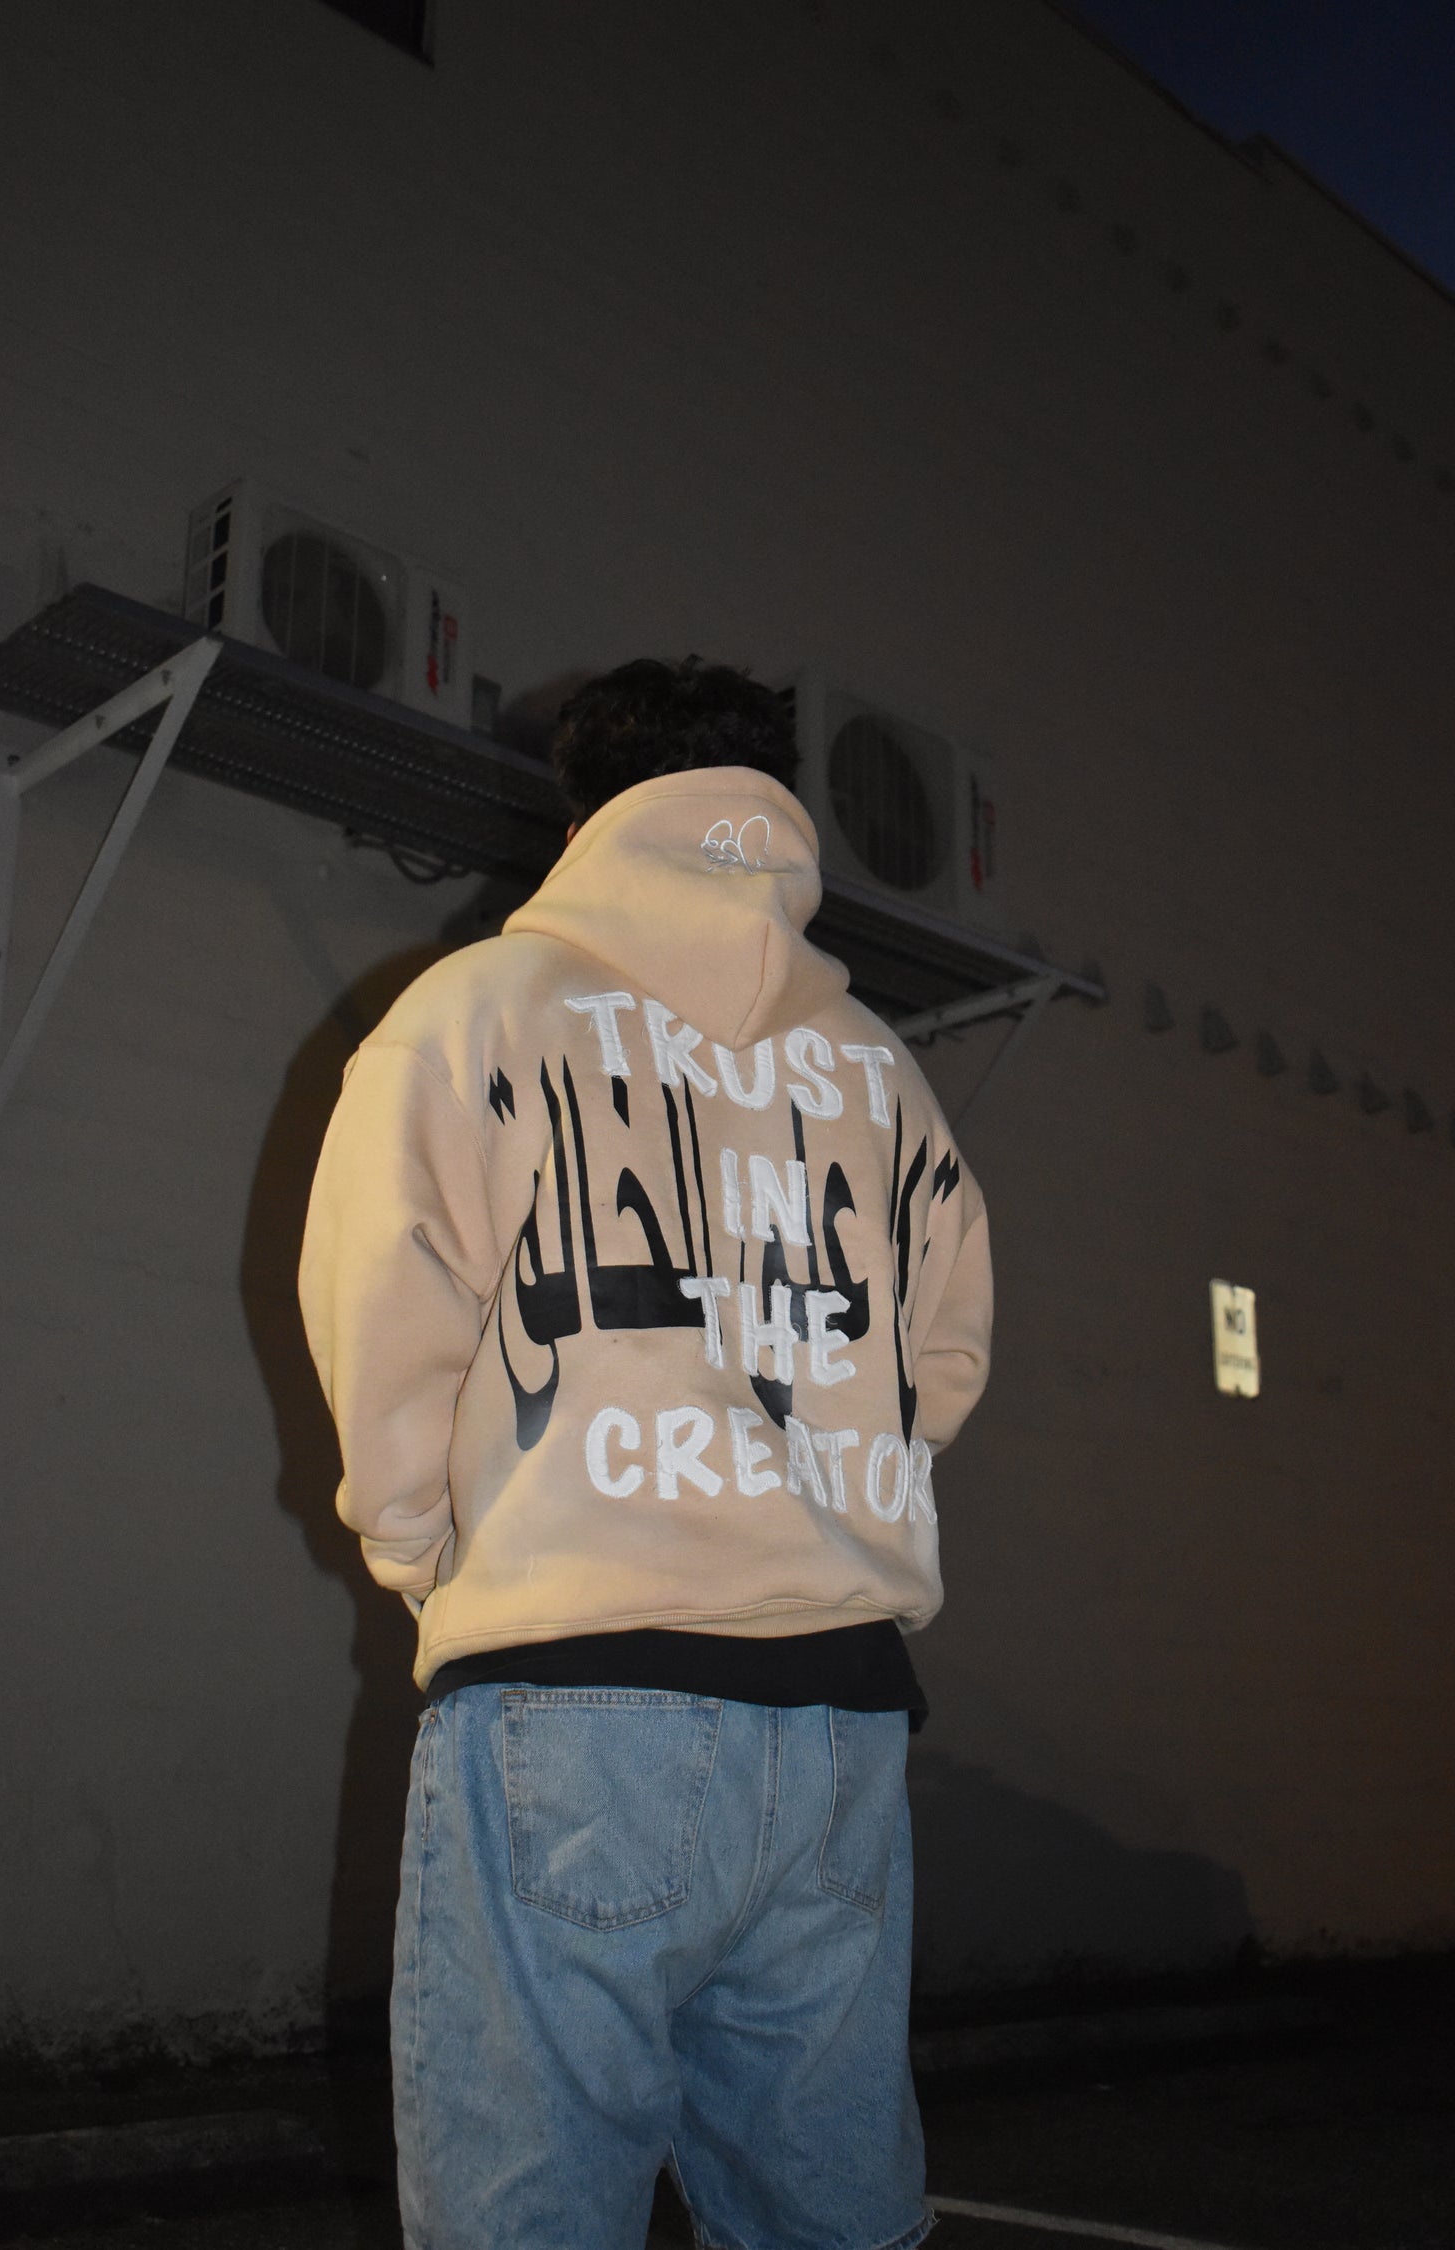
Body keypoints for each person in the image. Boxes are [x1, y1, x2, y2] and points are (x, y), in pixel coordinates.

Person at [298, 655, 993, 2250]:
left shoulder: (471, 1016)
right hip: (841, 1714)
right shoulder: (882, 1072)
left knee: (530, 2213)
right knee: (829, 2213)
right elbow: (944, 1355)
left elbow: (381, 1311)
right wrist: (814, 1488)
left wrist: (418, 1550)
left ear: (583, 821)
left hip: (578, 1691)